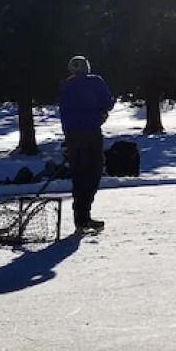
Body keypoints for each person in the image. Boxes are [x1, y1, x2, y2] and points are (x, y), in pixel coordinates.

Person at [58, 55, 115, 232]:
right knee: (93, 172)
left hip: (73, 136)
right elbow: (108, 102)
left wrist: (67, 139)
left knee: (79, 174)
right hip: (90, 133)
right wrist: (102, 111)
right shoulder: (95, 82)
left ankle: (81, 217)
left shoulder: (65, 86)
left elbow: (64, 114)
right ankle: (84, 216)